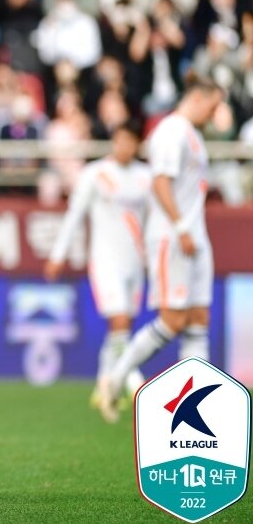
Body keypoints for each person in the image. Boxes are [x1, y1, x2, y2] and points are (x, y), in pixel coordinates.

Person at [98, 75, 224, 423]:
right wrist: (182, 226)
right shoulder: (172, 131)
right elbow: (160, 182)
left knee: (199, 317)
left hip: (194, 235)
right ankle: (116, 377)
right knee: (173, 318)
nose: (214, 113)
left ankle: (197, 400)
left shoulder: (193, 134)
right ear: (200, 98)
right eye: (213, 106)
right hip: (173, 235)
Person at [44, 122, 150, 409]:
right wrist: (58, 254)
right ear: (113, 142)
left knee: (121, 327)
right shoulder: (95, 174)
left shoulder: (145, 177)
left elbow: (153, 222)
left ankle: (104, 385)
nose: (124, 147)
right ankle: (134, 383)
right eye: (120, 140)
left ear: (137, 145)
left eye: (130, 141)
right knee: (118, 321)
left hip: (135, 262)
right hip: (105, 261)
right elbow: (74, 215)